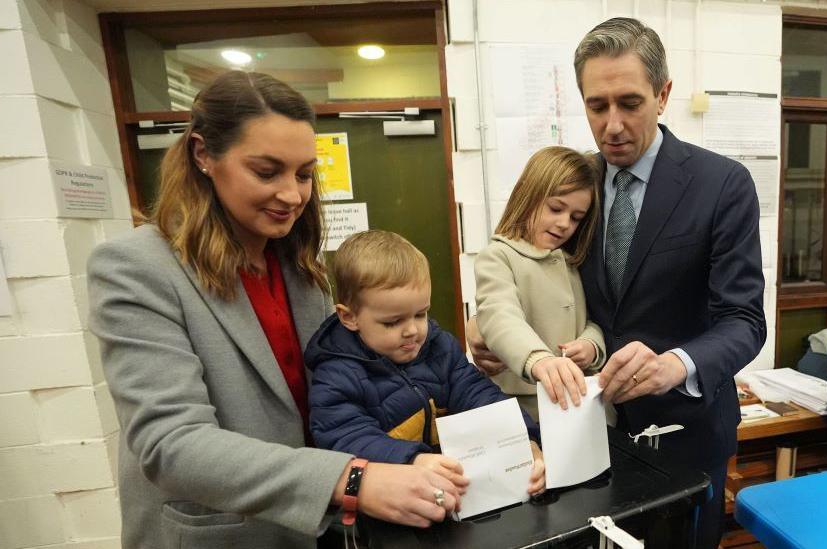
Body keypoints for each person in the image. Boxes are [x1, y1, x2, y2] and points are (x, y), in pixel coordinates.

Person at [88, 71, 462, 549]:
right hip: (222, 534)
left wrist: (440, 378)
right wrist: (353, 478)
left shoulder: (297, 263)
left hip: (311, 528)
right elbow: (171, 445)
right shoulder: (137, 267)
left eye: (304, 174)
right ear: (203, 155)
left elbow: (347, 377)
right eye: (267, 172)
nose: (292, 195)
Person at [469, 18, 766, 548]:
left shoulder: (721, 184)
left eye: (629, 103)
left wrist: (677, 364)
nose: (612, 125)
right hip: (579, 433)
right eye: (596, 105)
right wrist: (485, 324)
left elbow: (743, 320)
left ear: (663, 94)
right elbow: (529, 267)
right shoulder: (576, 186)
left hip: (684, 435)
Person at [307, 230, 546, 496]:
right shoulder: (336, 375)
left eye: (420, 314)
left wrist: (524, 438)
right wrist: (414, 460)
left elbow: (478, 394)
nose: (412, 330)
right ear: (349, 317)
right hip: (388, 514)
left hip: (448, 494)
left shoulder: (437, 347)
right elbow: (347, 439)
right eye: (392, 322)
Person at [473, 146, 607, 421]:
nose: (564, 224)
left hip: (579, 403)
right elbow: (500, 315)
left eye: (576, 218)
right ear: (529, 195)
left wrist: (591, 345)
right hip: (525, 409)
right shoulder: (499, 256)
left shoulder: (571, 260)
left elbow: (592, 320)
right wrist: (538, 360)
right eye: (556, 208)